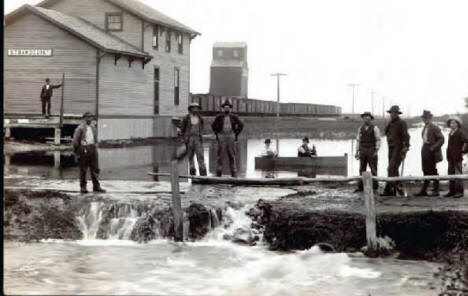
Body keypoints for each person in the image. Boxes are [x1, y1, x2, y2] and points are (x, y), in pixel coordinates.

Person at [72, 112, 106, 194]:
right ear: (84, 118)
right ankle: (83, 187)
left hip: (92, 149)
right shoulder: (80, 128)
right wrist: (77, 153)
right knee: (83, 169)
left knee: (95, 168)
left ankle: (96, 186)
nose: (90, 119)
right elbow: (75, 142)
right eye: (88, 117)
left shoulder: (93, 127)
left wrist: (95, 147)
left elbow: (95, 139)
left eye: (91, 117)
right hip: (83, 149)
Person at [381, 105, 410, 196]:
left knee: (391, 168)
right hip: (391, 148)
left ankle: (388, 189)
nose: (392, 115)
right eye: (391, 113)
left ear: (397, 114)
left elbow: (406, 136)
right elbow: (386, 133)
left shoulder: (402, 123)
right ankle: (397, 188)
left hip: (398, 149)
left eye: (394, 113)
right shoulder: (390, 123)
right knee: (394, 169)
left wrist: (406, 147)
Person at [414, 110, 445, 197]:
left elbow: (441, 139)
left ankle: (436, 190)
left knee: (432, 170)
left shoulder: (435, 127)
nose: (425, 120)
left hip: (432, 151)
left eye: (427, 118)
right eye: (424, 118)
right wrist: (425, 148)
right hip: (425, 149)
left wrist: (433, 147)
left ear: (431, 118)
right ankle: (424, 190)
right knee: (425, 170)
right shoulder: (425, 127)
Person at [211, 99, 244, 177]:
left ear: (230, 108)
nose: (226, 109)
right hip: (222, 136)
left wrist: (236, 134)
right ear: (223, 108)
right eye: (225, 107)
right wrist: (217, 134)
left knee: (231, 153)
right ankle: (219, 170)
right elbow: (213, 125)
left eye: (228, 107)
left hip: (231, 136)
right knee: (220, 153)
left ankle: (233, 170)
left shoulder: (234, 116)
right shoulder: (219, 116)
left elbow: (241, 125)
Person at [355, 112, 381, 192]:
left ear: (371, 119)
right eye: (365, 118)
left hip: (371, 149)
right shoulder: (360, 128)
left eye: (368, 119)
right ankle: (361, 187)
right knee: (361, 168)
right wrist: (357, 151)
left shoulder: (375, 128)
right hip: (362, 149)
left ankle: (375, 186)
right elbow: (358, 140)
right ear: (363, 119)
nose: (366, 120)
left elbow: (378, 140)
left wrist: (376, 150)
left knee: (373, 168)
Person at [180, 102, 207, 176]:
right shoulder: (186, 118)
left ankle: (203, 175)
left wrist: (201, 135)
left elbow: (202, 128)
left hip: (198, 139)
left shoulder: (200, 118)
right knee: (190, 157)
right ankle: (193, 175)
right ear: (190, 109)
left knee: (200, 156)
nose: (195, 109)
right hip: (189, 140)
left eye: (197, 108)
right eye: (194, 108)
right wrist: (184, 139)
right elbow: (182, 129)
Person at [445, 116, 468, 198]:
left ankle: (459, 191)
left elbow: (466, 141)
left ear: (457, 124)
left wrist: (462, 151)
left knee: (458, 173)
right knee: (450, 173)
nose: (452, 124)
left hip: (457, 156)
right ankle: (452, 191)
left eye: (454, 123)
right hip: (450, 156)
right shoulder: (451, 133)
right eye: (451, 123)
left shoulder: (461, 132)